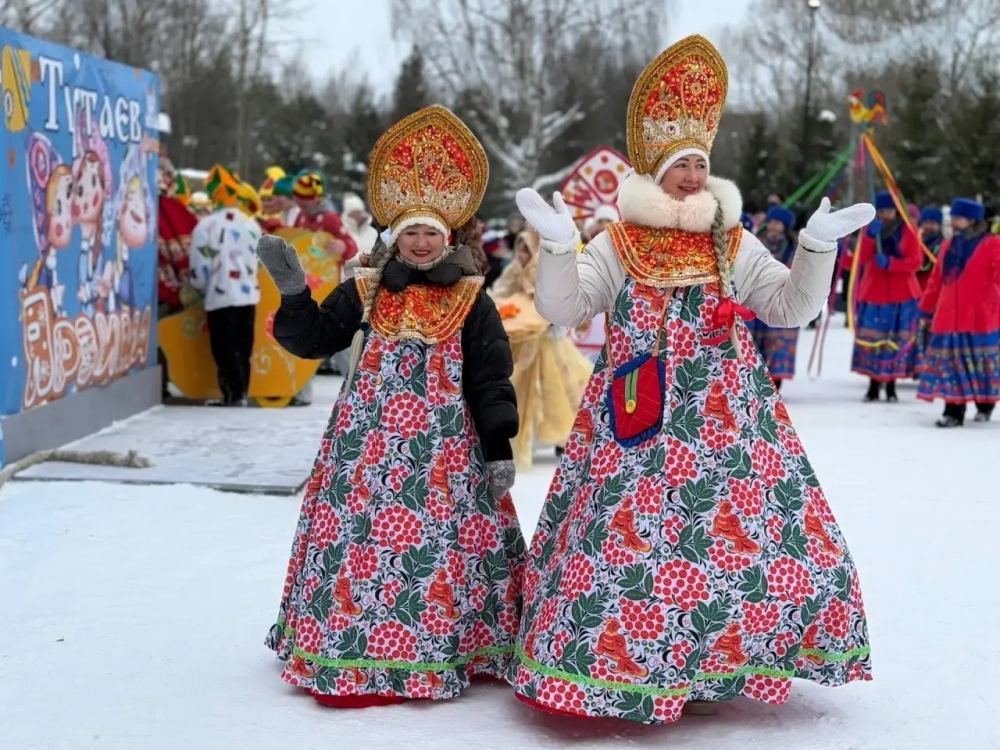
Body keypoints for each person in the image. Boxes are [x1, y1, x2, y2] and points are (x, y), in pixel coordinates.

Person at [511, 35, 872, 724]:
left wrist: (817, 247)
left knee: (740, 540)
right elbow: (565, 306)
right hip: (636, 425)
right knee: (630, 547)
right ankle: (621, 662)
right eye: (680, 164)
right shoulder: (619, 242)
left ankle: (719, 658)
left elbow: (789, 308)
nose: (692, 175)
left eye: (701, 163)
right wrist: (560, 247)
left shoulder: (733, 243)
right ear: (656, 169)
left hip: (727, 430)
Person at [259, 105, 525, 707]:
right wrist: (295, 292)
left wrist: (498, 444)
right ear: (395, 235)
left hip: (443, 461)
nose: (423, 241)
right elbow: (312, 341)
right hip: (367, 454)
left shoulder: (472, 299)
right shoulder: (365, 287)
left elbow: (490, 375)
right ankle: (353, 648)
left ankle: (441, 646)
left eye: (432, 231)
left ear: (450, 235)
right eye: (412, 232)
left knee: (434, 554)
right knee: (363, 550)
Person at [490, 228, 593, 467]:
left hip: (547, 339)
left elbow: (557, 299)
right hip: (519, 338)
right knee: (522, 387)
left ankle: (564, 435)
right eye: (520, 249)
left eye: (527, 249)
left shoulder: (544, 272)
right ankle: (525, 435)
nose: (523, 254)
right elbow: (500, 292)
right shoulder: (513, 270)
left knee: (554, 389)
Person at [917, 198, 1000, 427]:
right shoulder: (948, 245)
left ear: (973, 220)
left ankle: (985, 404)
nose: (953, 222)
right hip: (948, 317)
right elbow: (936, 280)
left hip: (979, 318)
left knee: (980, 364)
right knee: (951, 366)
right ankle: (953, 410)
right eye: (952, 217)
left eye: (958, 218)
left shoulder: (992, 244)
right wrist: (926, 306)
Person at [188, 164, 262, 406]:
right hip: (248, 295)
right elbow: (259, 261)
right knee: (243, 346)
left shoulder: (206, 226)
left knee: (224, 347)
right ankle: (241, 392)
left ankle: (232, 393)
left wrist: (197, 286)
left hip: (219, 295)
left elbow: (201, 264)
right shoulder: (252, 225)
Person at [851, 190, 922, 402]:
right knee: (874, 340)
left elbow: (915, 261)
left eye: (889, 210)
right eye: (881, 211)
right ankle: (873, 385)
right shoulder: (870, 231)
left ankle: (891, 385)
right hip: (874, 293)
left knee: (894, 340)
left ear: (897, 211)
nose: (885, 215)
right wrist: (870, 239)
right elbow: (861, 258)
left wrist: (892, 264)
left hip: (901, 295)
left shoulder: (908, 232)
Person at [746, 205, 798, 389]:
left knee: (777, 342)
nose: (773, 226)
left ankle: (776, 383)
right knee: (753, 341)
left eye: (778, 223)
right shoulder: (756, 241)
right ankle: (754, 381)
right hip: (756, 298)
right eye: (771, 222)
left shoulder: (793, 247)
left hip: (781, 297)